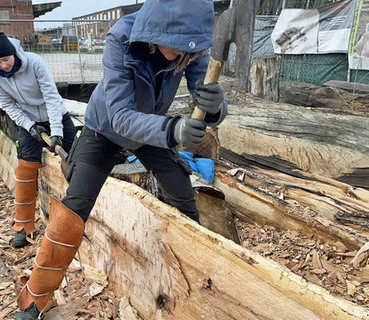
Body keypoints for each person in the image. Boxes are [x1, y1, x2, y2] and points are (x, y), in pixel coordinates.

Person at [14, 0, 227, 318]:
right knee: (75, 205)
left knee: (182, 189)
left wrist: (216, 105)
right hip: (107, 127)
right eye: (171, 43)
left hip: (152, 129)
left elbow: (206, 94)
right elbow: (120, 116)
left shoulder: (190, 44)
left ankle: (197, 264)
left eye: (185, 47)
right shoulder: (122, 39)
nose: (177, 51)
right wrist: (174, 129)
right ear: (156, 27)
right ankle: (36, 295)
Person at [0, 30, 77, 248]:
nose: (3, 66)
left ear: (13, 53)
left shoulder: (34, 63)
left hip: (56, 117)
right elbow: (6, 104)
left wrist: (56, 132)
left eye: (5, 59)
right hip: (29, 121)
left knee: (73, 162)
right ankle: (24, 226)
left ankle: (76, 219)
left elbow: (52, 98)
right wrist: (29, 126)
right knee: (25, 168)